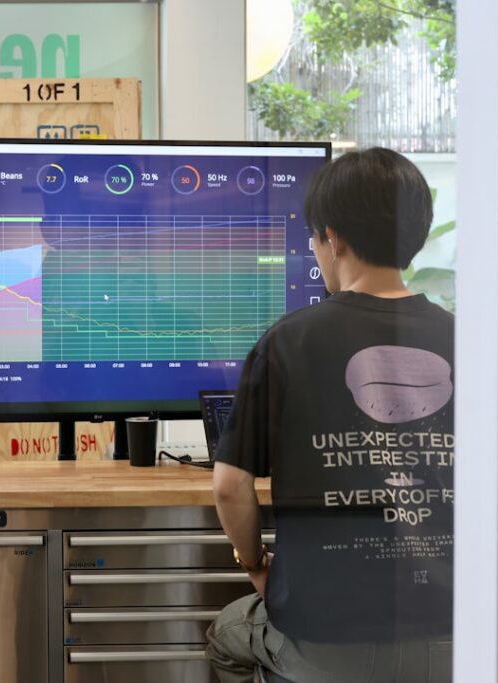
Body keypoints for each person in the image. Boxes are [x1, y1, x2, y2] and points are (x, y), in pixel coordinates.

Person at [207, 148, 454, 683]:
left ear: (333, 239)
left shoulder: (287, 342)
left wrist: (255, 566)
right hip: (454, 636)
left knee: (229, 633)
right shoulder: (468, 340)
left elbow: (229, 486)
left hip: (326, 640)